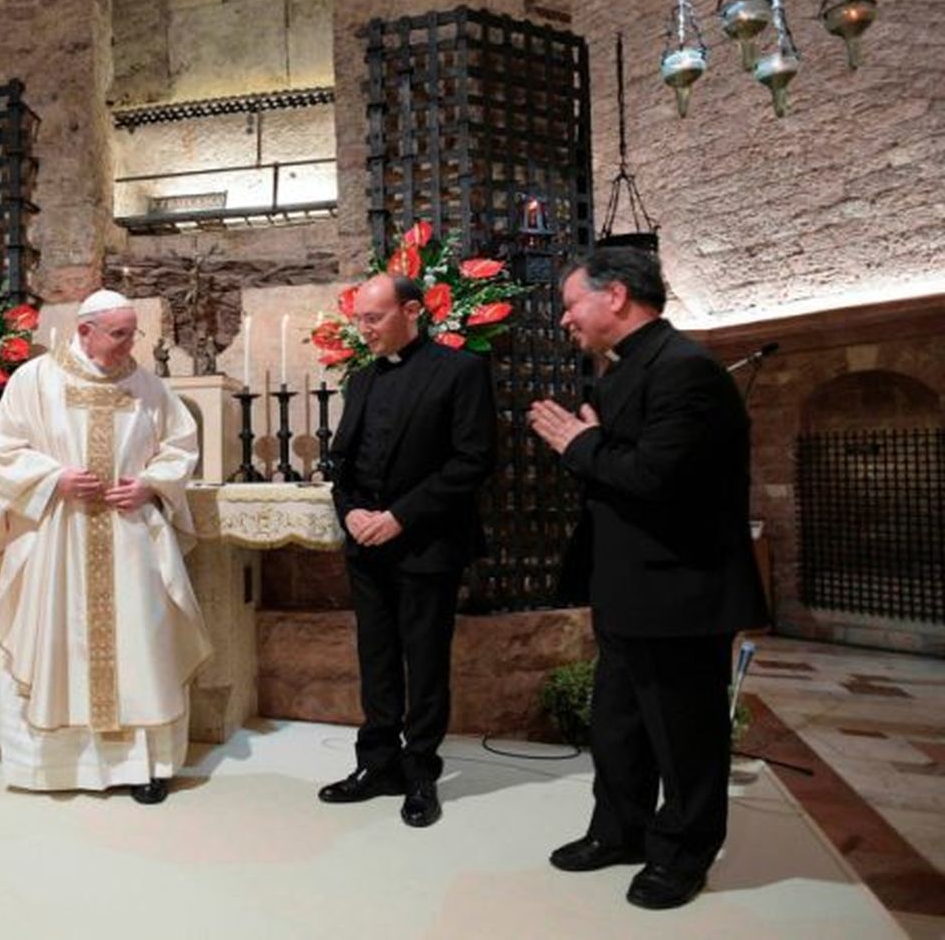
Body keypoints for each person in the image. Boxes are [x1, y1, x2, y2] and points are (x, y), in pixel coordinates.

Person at [528, 246, 768, 910]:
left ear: (616, 296)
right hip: (632, 584)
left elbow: (657, 477)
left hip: (680, 589)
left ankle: (683, 853)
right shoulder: (627, 369)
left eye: (571, 303)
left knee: (685, 734)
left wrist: (581, 445)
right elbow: (624, 465)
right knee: (619, 724)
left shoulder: (685, 370)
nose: (565, 319)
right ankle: (619, 831)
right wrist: (594, 446)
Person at [0, 289, 211, 805]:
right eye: (119, 334)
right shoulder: (35, 380)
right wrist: (54, 479)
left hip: (131, 538)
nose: (129, 344)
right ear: (85, 330)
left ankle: (146, 766)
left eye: (133, 333)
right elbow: (2, 453)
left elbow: (180, 447)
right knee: (58, 644)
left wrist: (150, 485)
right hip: (57, 538)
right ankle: (55, 766)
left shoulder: (148, 386)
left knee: (142, 649)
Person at [318, 272, 496, 828]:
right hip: (367, 545)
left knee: (425, 663)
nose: (363, 330)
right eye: (359, 320)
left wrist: (399, 517)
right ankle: (377, 765)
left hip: (426, 543)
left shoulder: (461, 371)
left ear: (412, 311)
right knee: (375, 658)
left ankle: (420, 772)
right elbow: (341, 462)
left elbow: (472, 461)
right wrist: (350, 511)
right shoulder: (361, 380)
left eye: (373, 318)